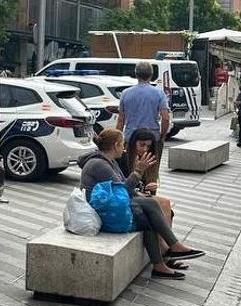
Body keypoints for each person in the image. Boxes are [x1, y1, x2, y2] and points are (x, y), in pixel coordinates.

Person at [79, 129, 204, 280]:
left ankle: (159, 266)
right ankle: (174, 246)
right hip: (102, 212)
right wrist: (138, 172)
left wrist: (141, 190)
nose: (123, 148)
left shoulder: (110, 161)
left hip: (111, 208)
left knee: (147, 218)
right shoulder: (99, 164)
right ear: (116, 145)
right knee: (150, 204)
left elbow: (124, 192)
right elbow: (123, 191)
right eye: (122, 144)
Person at [118, 128, 186, 269]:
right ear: (133, 143)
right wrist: (139, 178)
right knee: (164, 204)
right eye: (141, 145)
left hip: (141, 198)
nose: (145, 149)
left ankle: (167, 251)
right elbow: (124, 189)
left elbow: (145, 191)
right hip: (126, 201)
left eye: (148, 146)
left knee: (166, 207)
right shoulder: (124, 159)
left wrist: (149, 187)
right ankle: (167, 251)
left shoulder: (148, 159)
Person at [116, 61, 169, 182]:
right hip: (152, 140)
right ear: (151, 75)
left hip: (131, 139)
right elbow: (166, 118)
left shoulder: (126, 93)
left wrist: (117, 138)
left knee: (130, 170)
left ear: (136, 74)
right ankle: (150, 194)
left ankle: (133, 194)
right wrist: (162, 136)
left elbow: (121, 120)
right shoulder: (158, 93)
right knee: (151, 171)